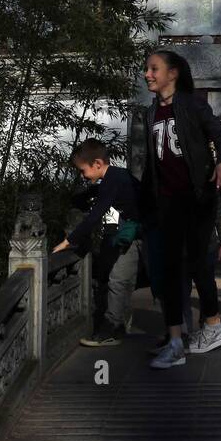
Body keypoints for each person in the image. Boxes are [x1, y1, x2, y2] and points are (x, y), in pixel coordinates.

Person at [141, 48, 221, 369]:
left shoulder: (193, 105)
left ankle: (213, 325)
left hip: (197, 199)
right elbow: (151, 167)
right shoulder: (149, 114)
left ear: (173, 73)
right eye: (146, 69)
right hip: (167, 204)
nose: (147, 74)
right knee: (169, 272)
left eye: (154, 69)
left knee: (197, 265)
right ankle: (176, 343)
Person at [52, 140, 143, 347]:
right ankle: (115, 328)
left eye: (83, 171)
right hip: (136, 232)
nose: (83, 176)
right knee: (119, 279)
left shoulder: (113, 180)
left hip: (146, 233)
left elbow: (94, 216)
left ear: (98, 164)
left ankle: (112, 328)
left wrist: (68, 241)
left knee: (123, 280)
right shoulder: (116, 176)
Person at [147, 194, 221, 355]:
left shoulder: (202, 186)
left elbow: (219, 214)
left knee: (204, 285)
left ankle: (207, 326)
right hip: (183, 246)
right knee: (181, 291)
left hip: (202, 246)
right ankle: (184, 334)